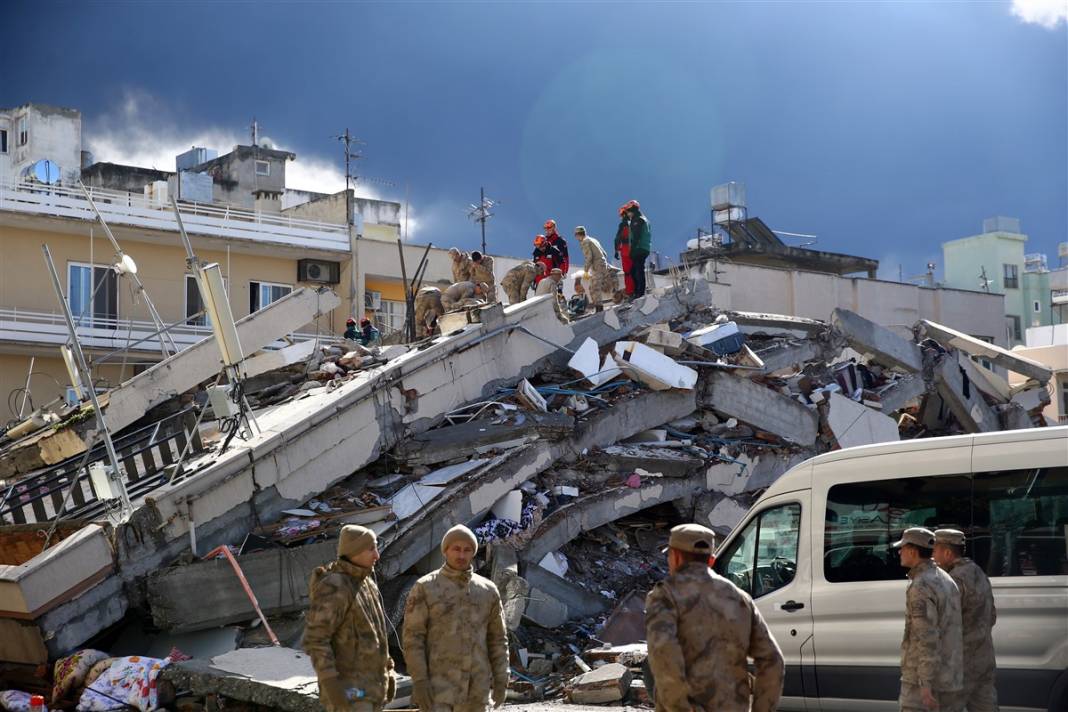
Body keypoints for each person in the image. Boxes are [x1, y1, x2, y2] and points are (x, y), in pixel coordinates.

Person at [645, 523, 784, 712]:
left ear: (675, 557)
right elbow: (773, 660)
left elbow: (664, 654)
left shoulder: (666, 594)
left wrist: (680, 707)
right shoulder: (740, 598)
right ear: (710, 560)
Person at [402, 525, 509, 712]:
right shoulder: (425, 587)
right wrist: (419, 680)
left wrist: (502, 678)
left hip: (477, 692)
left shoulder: (488, 591)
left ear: (473, 553)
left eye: (467, 550)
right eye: (456, 549)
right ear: (445, 551)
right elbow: (413, 638)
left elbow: (498, 639)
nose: (461, 555)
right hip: (439, 691)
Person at [303, 525, 395, 712]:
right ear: (354, 551)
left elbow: (376, 635)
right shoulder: (335, 586)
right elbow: (315, 639)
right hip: (350, 694)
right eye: (371, 549)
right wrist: (330, 682)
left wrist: (389, 671)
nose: (377, 555)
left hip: (371, 692)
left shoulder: (366, 583)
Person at [893, 527, 964, 712]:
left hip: (924, 687)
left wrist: (925, 684)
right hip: (951, 678)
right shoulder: (946, 578)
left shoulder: (921, 586)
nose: (899, 552)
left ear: (913, 551)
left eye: (902, 548)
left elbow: (927, 639)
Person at [934, 529, 998, 711]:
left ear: (947, 553)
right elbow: (992, 616)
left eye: (935, 551)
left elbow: (943, 624)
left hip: (960, 666)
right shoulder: (979, 573)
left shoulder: (952, 581)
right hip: (984, 660)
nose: (932, 557)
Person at [574, 226, 614, 306]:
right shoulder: (593, 240)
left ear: (578, 235)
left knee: (594, 287)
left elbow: (589, 257)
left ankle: (599, 307)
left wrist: (585, 270)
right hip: (603, 264)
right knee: (603, 284)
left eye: (576, 235)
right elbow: (604, 253)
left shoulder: (585, 242)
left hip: (597, 266)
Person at [623, 201, 651, 297]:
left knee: (638, 271)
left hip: (639, 248)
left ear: (633, 210)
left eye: (628, 211)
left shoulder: (637, 220)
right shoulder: (642, 218)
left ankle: (640, 293)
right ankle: (637, 292)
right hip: (643, 247)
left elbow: (636, 236)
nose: (627, 214)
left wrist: (632, 250)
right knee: (634, 271)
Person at [614, 205, 634, 296]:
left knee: (628, 272)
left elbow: (617, 239)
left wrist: (616, 250)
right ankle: (637, 290)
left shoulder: (623, 225)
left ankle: (630, 292)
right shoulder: (634, 223)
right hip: (634, 249)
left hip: (626, 250)